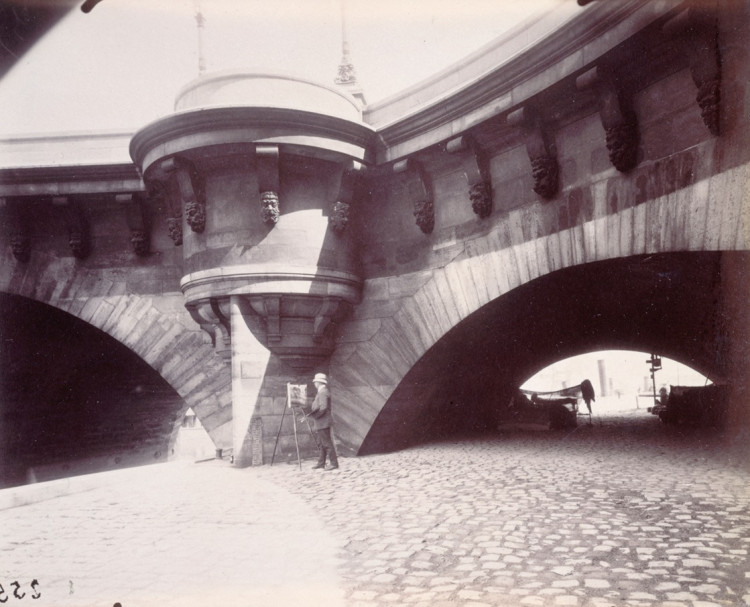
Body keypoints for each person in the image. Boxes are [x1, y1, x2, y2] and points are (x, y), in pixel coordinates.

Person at [310, 373, 339, 471]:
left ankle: (334, 463)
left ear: (319, 382)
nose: (314, 384)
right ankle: (321, 463)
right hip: (321, 422)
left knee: (326, 443)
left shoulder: (322, 392)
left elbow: (323, 407)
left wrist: (315, 416)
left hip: (322, 421)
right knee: (322, 443)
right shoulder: (322, 391)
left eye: (315, 382)